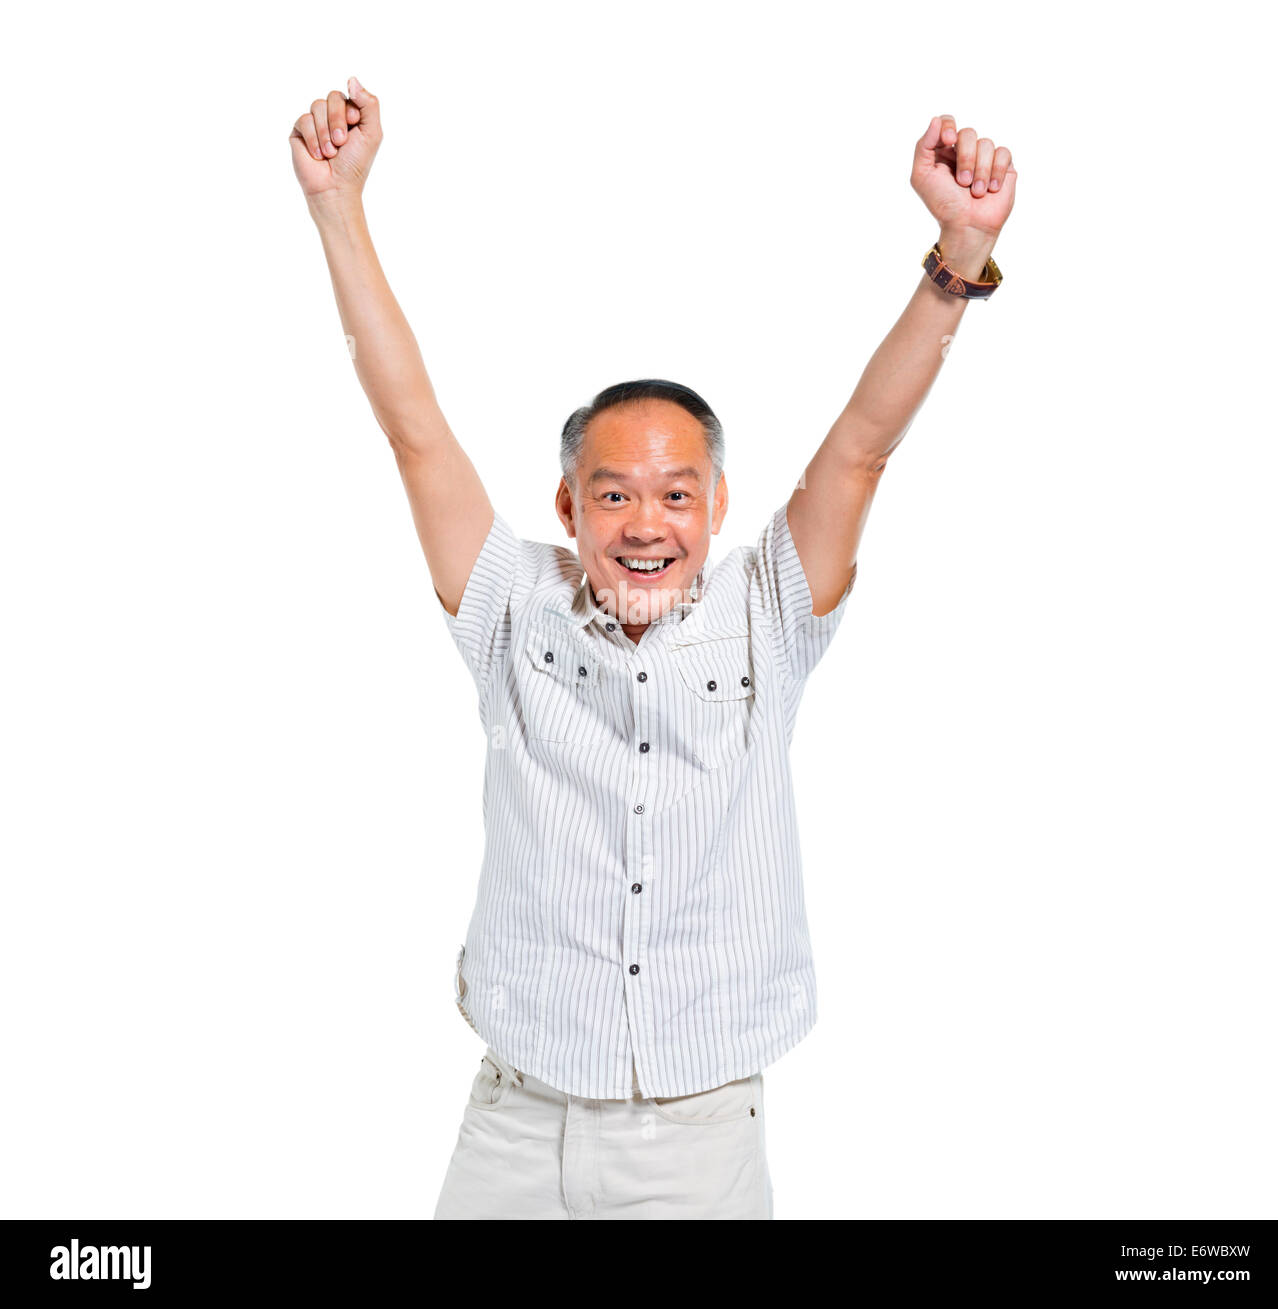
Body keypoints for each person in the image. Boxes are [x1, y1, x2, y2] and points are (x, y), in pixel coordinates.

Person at [289, 78, 1017, 1220]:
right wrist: (338, 207)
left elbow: (861, 447)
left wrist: (956, 257)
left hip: (693, 1138)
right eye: (612, 493)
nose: (644, 524)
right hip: (512, 1120)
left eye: (675, 495)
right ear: (568, 506)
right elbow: (413, 425)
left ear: (717, 507)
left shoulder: (767, 612)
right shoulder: (510, 607)